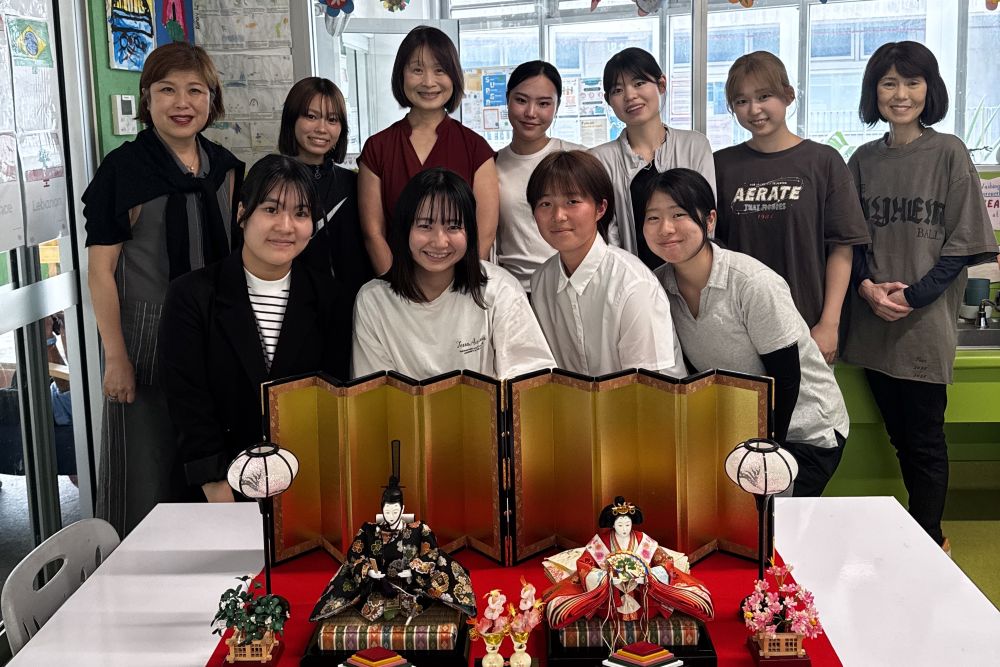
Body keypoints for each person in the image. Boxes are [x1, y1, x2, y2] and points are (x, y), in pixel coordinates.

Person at [841, 42, 998, 550]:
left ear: (930, 89)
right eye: (888, 83)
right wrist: (867, 288)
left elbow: (962, 245)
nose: (901, 94)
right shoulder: (862, 160)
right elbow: (850, 240)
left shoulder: (949, 152)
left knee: (925, 441)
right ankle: (920, 531)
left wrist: (912, 297)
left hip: (923, 325)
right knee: (899, 437)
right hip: (872, 322)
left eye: (912, 82)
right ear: (874, 92)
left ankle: (930, 539)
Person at [83, 42, 244, 534]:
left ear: (212, 99)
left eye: (195, 90)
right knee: (145, 470)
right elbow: (101, 271)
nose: (182, 102)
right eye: (167, 90)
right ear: (147, 99)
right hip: (144, 336)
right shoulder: (124, 170)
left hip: (214, 333)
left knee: (215, 463)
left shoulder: (225, 167)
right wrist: (116, 357)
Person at [644, 168, 850, 497]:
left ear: (709, 220)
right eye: (653, 217)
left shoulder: (751, 283)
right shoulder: (656, 286)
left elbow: (787, 378)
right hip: (742, 432)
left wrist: (766, 453)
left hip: (803, 432)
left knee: (770, 524)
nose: (665, 228)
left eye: (679, 214)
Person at [159, 155, 351, 503]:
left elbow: (330, 400)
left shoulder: (330, 299)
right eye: (271, 209)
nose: (286, 226)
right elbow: (188, 401)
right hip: (216, 490)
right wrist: (217, 486)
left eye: (301, 213)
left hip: (303, 486)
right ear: (242, 213)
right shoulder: (192, 295)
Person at [714, 52, 870, 363]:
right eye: (742, 101)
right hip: (739, 328)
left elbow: (842, 247)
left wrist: (829, 324)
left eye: (764, 96)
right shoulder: (720, 165)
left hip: (807, 325)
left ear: (788, 95)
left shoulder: (823, 162)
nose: (754, 109)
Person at [352, 168, 554, 381]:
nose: (440, 242)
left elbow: (531, 377)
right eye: (425, 225)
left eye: (454, 226)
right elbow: (375, 390)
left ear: (470, 231)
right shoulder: (374, 300)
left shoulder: (500, 289)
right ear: (404, 228)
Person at [527, 150, 685, 378]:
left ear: (600, 208)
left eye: (572, 201)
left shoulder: (633, 284)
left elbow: (647, 386)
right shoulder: (541, 281)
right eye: (545, 204)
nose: (558, 215)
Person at [358, 26, 498, 275]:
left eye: (440, 70)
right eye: (417, 70)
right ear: (401, 75)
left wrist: (457, 288)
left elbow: (484, 235)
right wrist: (396, 288)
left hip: (459, 285)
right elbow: (373, 233)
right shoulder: (378, 148)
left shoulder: (476, 148)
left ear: (454, 76)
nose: (429, 82)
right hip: (395, 283)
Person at [590, 47, 714, 270]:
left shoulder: (694, 145)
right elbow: (608, 235)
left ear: (661, 84)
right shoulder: (599, 160)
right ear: (608, 100)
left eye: (639, 83)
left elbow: (706, 219)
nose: (630, 96)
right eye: (618, 90)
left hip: (693, 274)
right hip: (630, 279)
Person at [310, 469, 476, 623]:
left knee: (442, 566)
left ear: (402, 509)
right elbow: (354, 555)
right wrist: (368, 571)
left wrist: (413, 569)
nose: (391, 516)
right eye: (387, 512)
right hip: (376, 585)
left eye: (395, 511)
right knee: (347, 578)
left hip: (412, 584)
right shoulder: (368, 530)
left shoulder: (418, 529)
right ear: (382, 510)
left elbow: (432, 553)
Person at [544, 496, 714, 630]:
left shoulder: (643, 540)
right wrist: (606, 579)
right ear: (613, 525)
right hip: (609, 595)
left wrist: (647, 576)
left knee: (696, 599)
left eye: (627, 524)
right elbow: (584, 565)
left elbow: (665, 562)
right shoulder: (600, 542)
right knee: (560, 608)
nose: (624, 528)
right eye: (620, 524)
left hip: (642, 593)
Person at [277, 76, 373, 299]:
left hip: (350, 305)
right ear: (292, 119)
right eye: (311, 116)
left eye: (332, 119)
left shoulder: (353, 183)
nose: (322, 128)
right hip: (289, 305)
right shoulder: (271, 180)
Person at [496, 60, 584, 291]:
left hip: (573, 288)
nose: (530, 113)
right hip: (515, 292)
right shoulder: (490, 166)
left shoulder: (578, 158)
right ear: (507, 99)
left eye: (543, 103)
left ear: (557, 106)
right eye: (521, 100)